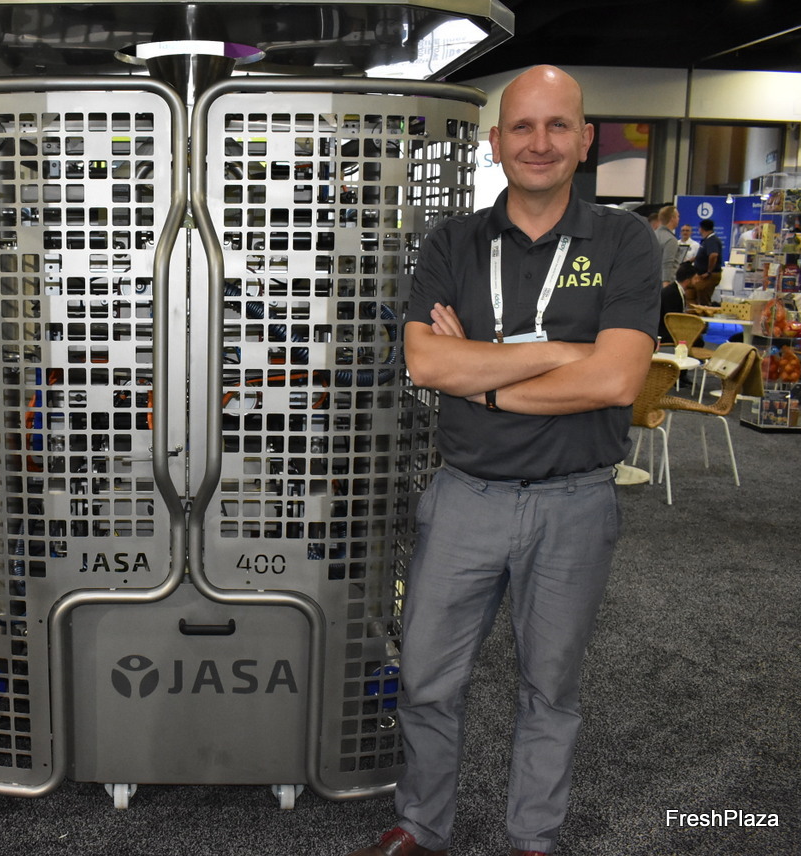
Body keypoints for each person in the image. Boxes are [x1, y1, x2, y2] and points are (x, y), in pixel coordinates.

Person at [345, 66, 659, 856]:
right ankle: (422, 824)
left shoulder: (624, 241)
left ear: (585, 140)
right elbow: (427, 363)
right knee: (426, 677)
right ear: (496, 142)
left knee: (550, 686)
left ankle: (533, 837)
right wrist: (565, 353)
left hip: (576, 500)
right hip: (465, 498)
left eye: (558, 125)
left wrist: (482, 379)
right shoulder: (452, 242)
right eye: (522, 126)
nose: (539, 142)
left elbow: (617, 380)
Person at [659, 261, 696, 343]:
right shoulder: (672, 293)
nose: (696, 281)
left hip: (668, 329)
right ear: (688, 280)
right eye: (695, 279)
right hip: (665, 332)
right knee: (697, 340)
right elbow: (673, 318)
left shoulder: (675, 290)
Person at [693, 218, 724, 305]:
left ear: (702, 229)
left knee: (703, 299)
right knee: (699, 295)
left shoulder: (712, 240)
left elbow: (713, 255)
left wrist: (708, 272)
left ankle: (704, 313)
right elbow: (704, 255)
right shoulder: (707, 240)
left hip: (709, 276)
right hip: (703, 275)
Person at [654, 204, 680, 288]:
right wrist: (666, 285)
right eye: (677, 216)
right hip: (664, 284)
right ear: (672, 218)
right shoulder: (670, 239)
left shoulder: (652, 235)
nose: (679, 219)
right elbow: (667, 263)